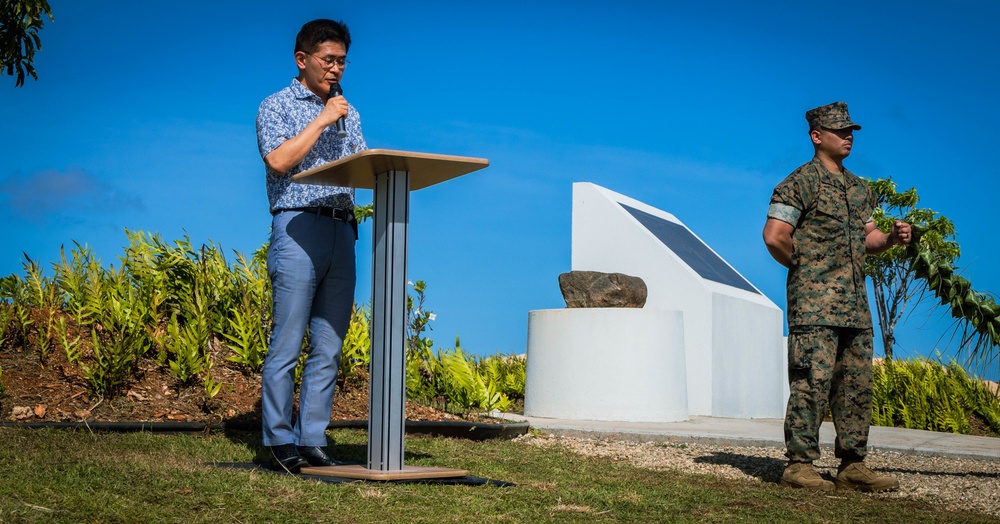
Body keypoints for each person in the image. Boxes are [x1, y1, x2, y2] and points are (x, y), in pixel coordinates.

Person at [762, 102, 911, 492]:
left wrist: (892, 238)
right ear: (816, 136)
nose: (848, 137)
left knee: (856, 387)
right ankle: (799, 466)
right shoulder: (798, 183)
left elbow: (869, 238)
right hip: (814, 307)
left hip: (855, 310)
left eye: (851, 131)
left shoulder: (859, 188)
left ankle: (853, 467)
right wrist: (805, 270)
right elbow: (775, 236)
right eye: (840, 131)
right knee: (812, 383)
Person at [255, 18, 366, 473]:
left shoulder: (350, 111)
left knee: (329, 343)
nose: (336, 69)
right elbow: (279, 160)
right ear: (302, 60)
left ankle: (313, 437)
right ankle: (279, 438)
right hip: (298, 228)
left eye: (342, 61)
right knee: (287, 340)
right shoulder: (276, 105)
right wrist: (322, 119)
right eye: (328, 60)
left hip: (343, 229)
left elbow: (362, 165)